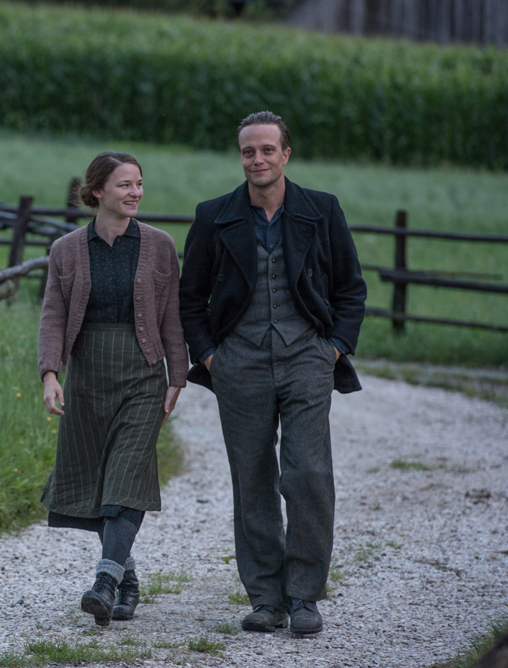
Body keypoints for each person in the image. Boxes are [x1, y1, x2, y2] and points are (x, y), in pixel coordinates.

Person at [178, 112, 367, 636]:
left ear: (286, 154)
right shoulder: (215, 215)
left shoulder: (321, 210)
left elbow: (351, 288)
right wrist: (212, 356)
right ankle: (266, 598)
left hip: (307, 357)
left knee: (308, 475)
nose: (256, 159)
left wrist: (332, 349)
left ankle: (304, 595)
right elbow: (190, 297)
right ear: (240, 156)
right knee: (253, 479)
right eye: (247, 152)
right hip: (238, 364)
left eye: (266, 150)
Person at [38, 151, 189, 627]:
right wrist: (49, 374)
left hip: (143, 374)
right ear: (98, 191)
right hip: (87, 377)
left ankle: (103, 581)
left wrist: (177, 377)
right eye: (125, 185)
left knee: (127, 478)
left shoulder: (160, 245)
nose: (136, 193)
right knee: (93, 485)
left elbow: (171, 316)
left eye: (140, 184)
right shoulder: (65, 249)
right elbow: (53, 315)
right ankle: (128, 576)